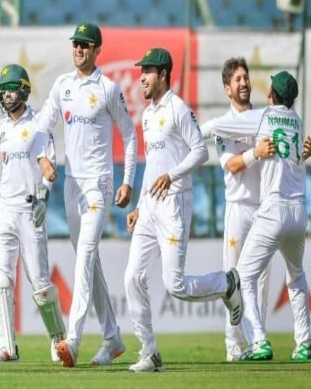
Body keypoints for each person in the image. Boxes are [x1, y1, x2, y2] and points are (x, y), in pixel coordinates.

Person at [123, 48, 243, 373]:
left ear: (163, 75)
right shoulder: (147, 115)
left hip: (175, 203)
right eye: (141, 71)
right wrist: (139, 206)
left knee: (174, 285)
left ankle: (226, 284)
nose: (141, 77)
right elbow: (152, 163)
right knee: (132, 277)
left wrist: (171, 175)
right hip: (150, 205)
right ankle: (149, 351)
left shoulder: (178, 108)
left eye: (147, 71)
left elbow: (200, 152)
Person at [38, 22, 137, 368]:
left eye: (85, 44)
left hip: (99, 183)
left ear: (97, 50)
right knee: (88, 261)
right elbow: (41, 127)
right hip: (72, 184)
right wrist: (43, 158)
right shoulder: (62, 85)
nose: (79, 49)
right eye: (76, 44)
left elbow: (130, 135)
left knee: (84, 257)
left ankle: (73, 341)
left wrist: (127, 181)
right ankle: (112, 338)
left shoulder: (108, 88)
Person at [200, 71, 311, 362]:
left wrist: (192, 133)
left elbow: (216, 126)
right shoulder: (297, 121)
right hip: (299, 212)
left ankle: (259, 340)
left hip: (273, 209)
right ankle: (304, 343)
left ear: (272, 95)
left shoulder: (263, 117)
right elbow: (294, 156)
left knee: (242, 277)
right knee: (297, 277)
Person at [0, 64, 65, 363]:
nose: (6, 95)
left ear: (24, 90)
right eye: (3, 90)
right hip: (5, 212)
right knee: (0, 279)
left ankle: (58, 339)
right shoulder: (0, 128)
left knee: (40, 284)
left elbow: (48, 166)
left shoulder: (38, 124)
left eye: (11, 89)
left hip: (29, 211)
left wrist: (44, 196)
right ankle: (7, 346)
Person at [215, 57, 275, 361]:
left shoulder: (264, 119)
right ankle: (233, 344)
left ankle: (256, 340)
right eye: (237, 79)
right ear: (228, 88)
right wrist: (256, 151)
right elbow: (233, 165)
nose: (243, 83)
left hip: (264, 207)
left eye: (245, 78)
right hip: (238, 208)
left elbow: (278, 154)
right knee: (234, 279)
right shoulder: (223, 126)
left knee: (261, 280)